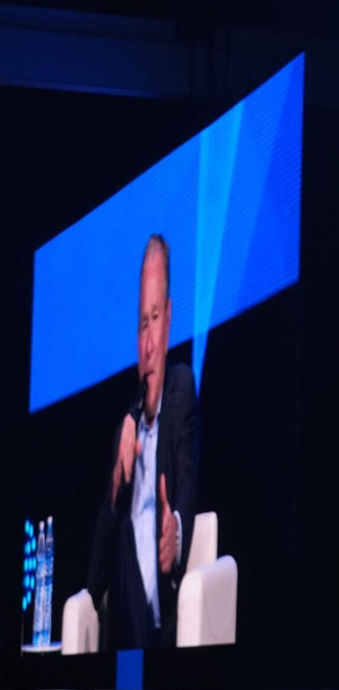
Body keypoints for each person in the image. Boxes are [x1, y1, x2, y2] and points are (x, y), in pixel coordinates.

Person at [87, 234, 199, 649]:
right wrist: (118, 484)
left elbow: (187, 477)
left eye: (155, 319)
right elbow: (95, 572)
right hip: (123, 615)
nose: (148, 344)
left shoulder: (181, 387)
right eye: (141, 324)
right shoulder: (126, 427)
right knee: (121, 541)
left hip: (162, 616)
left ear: (169, 320)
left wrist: (178, 535)